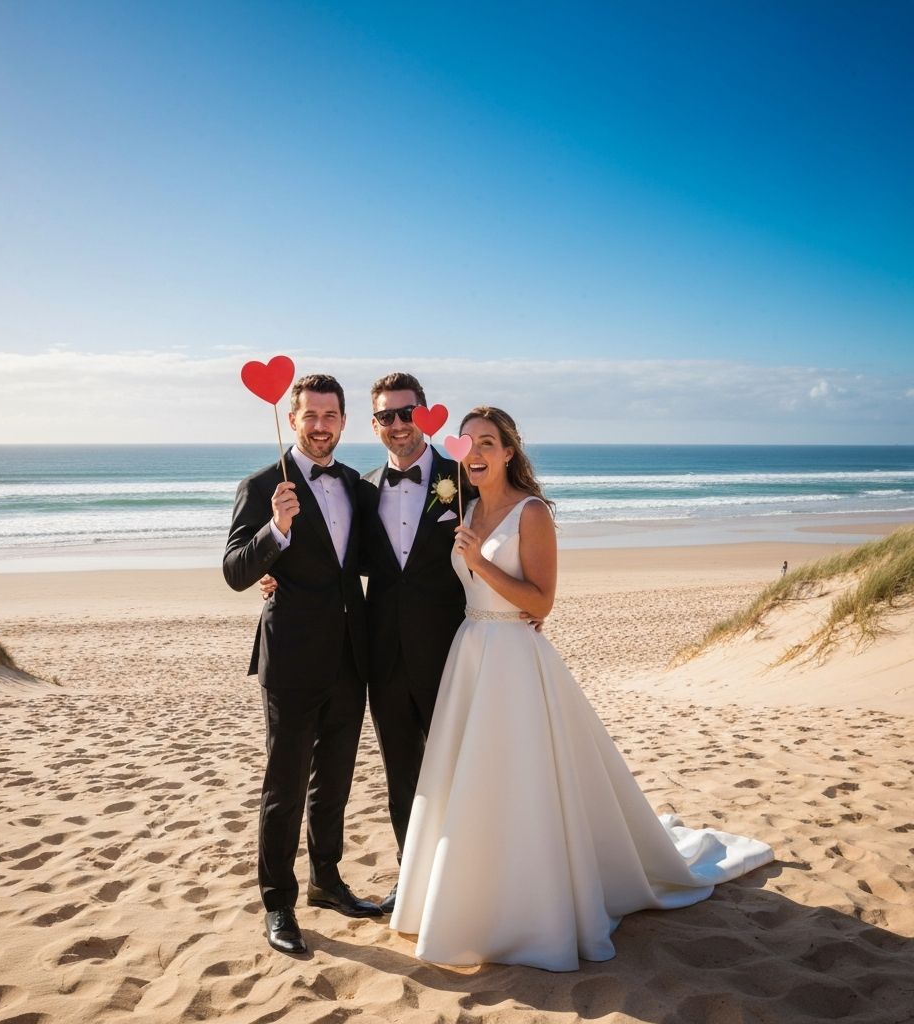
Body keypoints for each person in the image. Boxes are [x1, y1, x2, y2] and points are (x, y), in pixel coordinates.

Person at [390, 406, 774, 972]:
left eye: (488, 442)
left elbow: (541, 601)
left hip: (515, 658)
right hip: (469, 653)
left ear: (509, 452)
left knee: (524, 778)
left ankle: (535, 903)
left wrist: (481, 564)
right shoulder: (463, 506)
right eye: (468, 442)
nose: (476, 452)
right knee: (472, 779)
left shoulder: (532, 512)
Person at [223, 373, 380, 958]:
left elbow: (378, 556)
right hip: (291, 660)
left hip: (350, 657)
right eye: (310, 415)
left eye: (330, 415)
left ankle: (327, 881)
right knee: (283, 787)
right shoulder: (262, 484)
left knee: (334, 781)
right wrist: (277, 530)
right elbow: (236, 571)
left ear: (343, 422)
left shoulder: (355, 485)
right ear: (292, 420)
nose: (320, 426)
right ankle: (278, 903)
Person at [358, 372, 468, 913]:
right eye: (387, 416)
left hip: (453, 651)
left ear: (423, 414)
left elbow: (508, 530)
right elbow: (331, 549)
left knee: (461, 767)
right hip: (384, 654)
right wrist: (274, 573)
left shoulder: (462, 478)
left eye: (407, 413)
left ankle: (469, 875)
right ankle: (411, 876)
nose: (398, 424)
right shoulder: (361, 488)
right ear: (374, 423)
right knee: (401, 772)